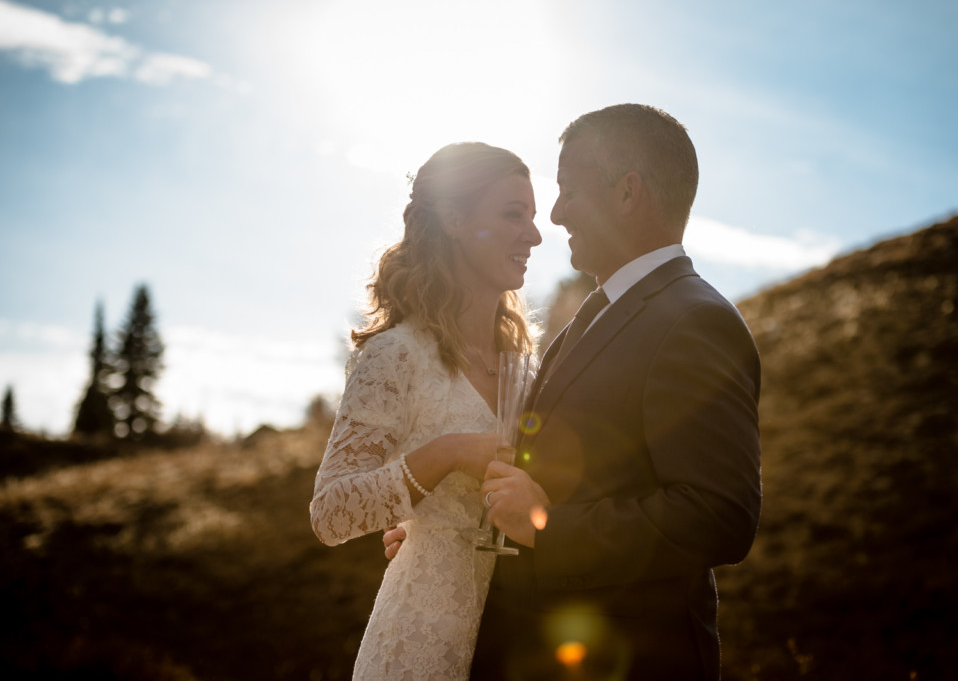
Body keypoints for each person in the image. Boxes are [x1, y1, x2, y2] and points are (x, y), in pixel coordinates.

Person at [387, 104, 762, 679]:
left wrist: (548, 528)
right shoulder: (597, 314)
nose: (556, 215)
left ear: (627, 193)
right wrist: (445, 538)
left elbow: (718, 516)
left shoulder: (693, 321)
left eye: (568, 191)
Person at [310, 141, 542, 680]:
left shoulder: (528, 369)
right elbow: (330, 514)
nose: (533, 235)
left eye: (532, 218)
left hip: (520, 640)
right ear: (456, 220)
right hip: (421, 639)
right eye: (514, 215)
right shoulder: (396, 354)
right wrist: (447, 454)